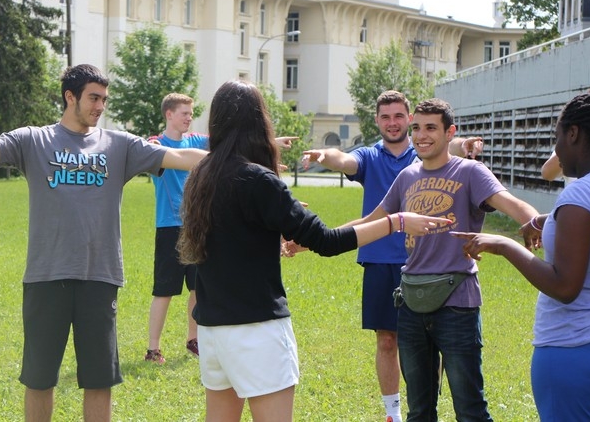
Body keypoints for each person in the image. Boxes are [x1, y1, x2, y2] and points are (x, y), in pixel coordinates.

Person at [0, 64, 207, 422]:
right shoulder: (33, 140)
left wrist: (232, 159)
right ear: (70, 97)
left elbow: (181, 158)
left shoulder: (120, 145)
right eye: (93, 98)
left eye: (104, 99)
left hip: (99, 278)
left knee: (99, 380)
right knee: (39, 379)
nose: (100, 106)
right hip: (46, 276)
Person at [177, 80, 451, 422]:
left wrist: (274, 224)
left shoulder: (201, 176)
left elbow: (233, 235)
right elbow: (326, 240)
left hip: (212, 332)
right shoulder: (259, 180)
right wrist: (396, 221)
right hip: (257, 331)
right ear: (259, 121)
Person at [301, 90, 483, 422]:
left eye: (399, 116)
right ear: (377, 121)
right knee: (387, 341)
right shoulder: (370, 156)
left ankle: (428, 404)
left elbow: (454, 146)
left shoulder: (424, 150)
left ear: (409, 118)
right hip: (380, 260)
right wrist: (324, 155)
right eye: (385, 117)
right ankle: (393, 414)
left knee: (432, 341)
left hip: (428, 263)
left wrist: (466, 143)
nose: (393, 123)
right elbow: (344, 160)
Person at [455, 92, 590, 422]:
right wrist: (544, 220)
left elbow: (565, 287)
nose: (556, 150)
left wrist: (503, 245)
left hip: (576, 350)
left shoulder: (581, 193)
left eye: (557, 137)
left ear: (573, 133)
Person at [368, 98, 538, 421]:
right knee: (419, 411)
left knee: (470, 410)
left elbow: (512, 204)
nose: (421, 136)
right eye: (417, 128)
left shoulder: (470, 172)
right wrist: (317, 238)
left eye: (431, 128)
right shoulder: (406, 176)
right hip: (412, 302)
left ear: (450, 133)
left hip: (457, 303)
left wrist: (535, 222)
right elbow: (371, 222)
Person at [144, 93, 209, 364]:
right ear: (169, 114)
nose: (189, 118)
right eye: (184, 113)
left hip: (196, 226)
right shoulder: (156, 145)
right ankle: (153, 349)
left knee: (198, 288)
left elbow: (232, 142)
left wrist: (271, 142)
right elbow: (149, 151)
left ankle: (194, 340)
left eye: (190, 114)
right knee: (164, 291)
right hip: (169, 227)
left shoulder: (196, 141)